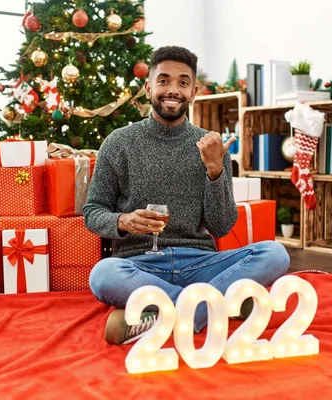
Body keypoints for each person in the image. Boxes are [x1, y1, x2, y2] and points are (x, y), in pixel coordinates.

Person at [83, 46, 290, 345]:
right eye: (164, 80)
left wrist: (216, 171)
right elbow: (93, 210)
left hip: (201, 264)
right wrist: (124, 220)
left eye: (182, 83)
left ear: (193, 92)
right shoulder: (118, 143)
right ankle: (216, 305)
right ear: (148, 87)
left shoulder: (211, 146)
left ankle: (161, 314)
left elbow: (220, 226)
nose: (172, 90)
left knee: (274, 254)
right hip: (139, 265)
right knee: (103, 274)